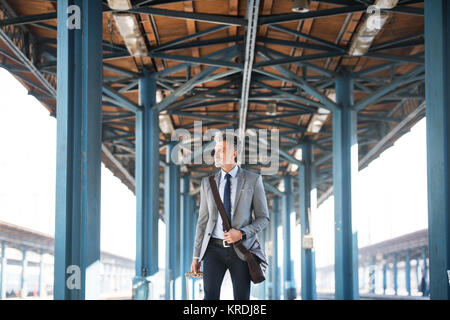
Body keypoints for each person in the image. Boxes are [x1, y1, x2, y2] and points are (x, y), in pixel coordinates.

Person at [190, 132, 270, 300]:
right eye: (216, 149)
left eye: (223, 149)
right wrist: (196, 256)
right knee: (209, 298)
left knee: (242, 300)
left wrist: (241, 233)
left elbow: (264, 218)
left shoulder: (253, 180)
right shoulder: (208, 182)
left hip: (241, 250)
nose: (217, 153)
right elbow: (202, 222)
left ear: (234, 153)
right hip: (213, 250)